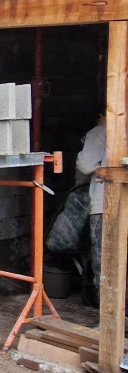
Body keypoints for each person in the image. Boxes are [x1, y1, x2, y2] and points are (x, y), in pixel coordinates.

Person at [75, 114, 106, 296]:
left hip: (104, 204)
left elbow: (86, 165)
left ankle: (108, 309)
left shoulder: (101, 132)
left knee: (103, 259)